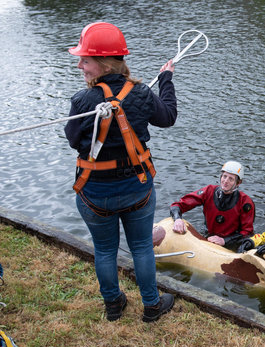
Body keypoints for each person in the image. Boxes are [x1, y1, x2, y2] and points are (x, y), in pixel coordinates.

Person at [65, 22, 177, 322]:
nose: (80, 65)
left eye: (84, 60)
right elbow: (167, 117)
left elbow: (74, 140)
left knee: (104, 250)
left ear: (102, 63)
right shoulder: (139, 93)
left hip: (95, 194)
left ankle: (114, 305)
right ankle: (151, 306)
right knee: (141, 248)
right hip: (136, 188)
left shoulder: (83, 101)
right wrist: (166, 80)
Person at [169, 161, 255, 249]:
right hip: (209, 235)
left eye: (231, 179)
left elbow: (247, 232)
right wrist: (177, 219)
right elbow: (177, 206)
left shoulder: (245, 202)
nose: (225, 181)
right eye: (224, 176)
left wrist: (224, 241)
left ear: (238, 183)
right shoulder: (208, 191)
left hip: (231, 242)